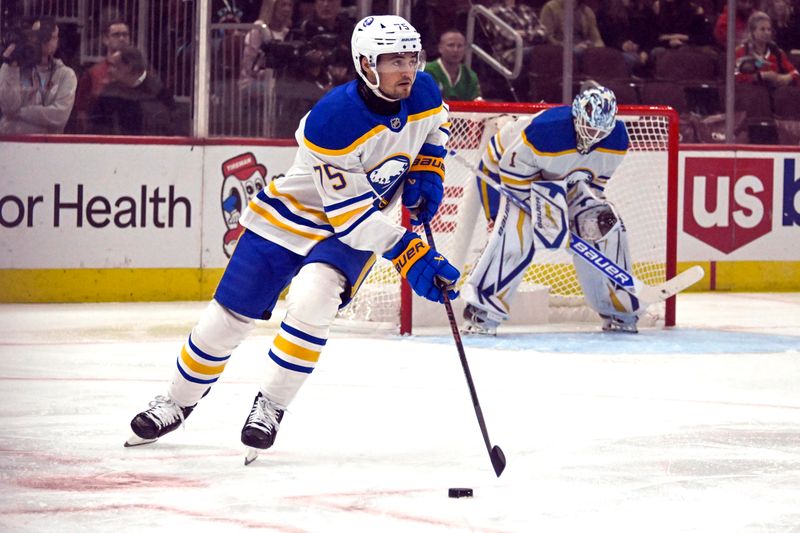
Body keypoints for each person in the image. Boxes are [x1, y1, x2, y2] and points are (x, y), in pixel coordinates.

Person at [125, 15, 460, 459]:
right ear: (365, 63)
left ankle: (271, 405)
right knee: (225, 321)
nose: (406, 69)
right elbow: (353, 219)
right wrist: (411, 255)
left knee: (311, 303)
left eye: (411, 58)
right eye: (392, 60)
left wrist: (428, 168)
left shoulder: (424, 90)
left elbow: (437, 126)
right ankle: (176, 401)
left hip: (348, 233)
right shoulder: (333, 120)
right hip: (293, 218)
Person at [460, 83, 641, 335]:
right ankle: (482, 312)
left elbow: (594, 186)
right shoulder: (547, 129)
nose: (593, 135)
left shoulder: (617, 139)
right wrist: (548, 217)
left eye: (600, 130)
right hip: (510, 171)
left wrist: (574, 222)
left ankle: (619, 310)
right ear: (577, 115)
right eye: (589, 127)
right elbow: (511, 174)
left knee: (605, 223)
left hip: (565, 179)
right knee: (517, 235)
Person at [0, 17, 77, 134]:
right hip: (13, 143)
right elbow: (8, 108)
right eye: (37, 36)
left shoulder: (66, 75)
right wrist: (11, 66)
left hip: (49, 146)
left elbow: (59, 116)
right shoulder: (14, 69)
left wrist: (20, 113)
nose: (45, 41)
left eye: (53, 37)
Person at [89, 45, 177, 135]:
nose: (109, 70)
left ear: (128, 67)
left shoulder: (158, 90)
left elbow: (173, 125)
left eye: (113, 66)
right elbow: (96, 126)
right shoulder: (109, 91)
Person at [73, 18, 131, 133]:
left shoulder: (139, 71)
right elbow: (81, 112)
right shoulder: (92, 73)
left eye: (125, 34)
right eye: (116, 35)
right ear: (105, 39)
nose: (122, 38)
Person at [734, 10, 799, 88]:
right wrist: (761, 76)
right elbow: (735, 77)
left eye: (769, 29)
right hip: (748, 96)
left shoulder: (777, 52)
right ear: (752, 31)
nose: (767, 33)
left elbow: (795, 73)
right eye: (762, 29)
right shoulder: (741, 52)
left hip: (775, 96)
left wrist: (786, 78)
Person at [424, 29, 481, 101]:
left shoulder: (470, 76)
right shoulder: (427, 71)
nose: (455, 50)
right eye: (451, 45)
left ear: (465, 49)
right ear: (440, 48)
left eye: (460, 46)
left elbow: (477, 103)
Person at [540, 0, 604, 55]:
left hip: (584, 50)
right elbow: (548, 38)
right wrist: (572, 47)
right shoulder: (550, 8)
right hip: (560, 51)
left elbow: (596, 39)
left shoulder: (587, 11)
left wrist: (597, 48)